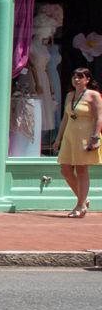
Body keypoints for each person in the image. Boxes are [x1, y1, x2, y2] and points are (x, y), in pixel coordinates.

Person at [58, 65, 102, 217]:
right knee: (65, 170)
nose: (76, 80)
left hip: (86, 136)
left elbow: (98, 118)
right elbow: (66, 117)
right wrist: (58, 138)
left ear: (87, 80)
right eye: (74, 77)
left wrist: (95, 138)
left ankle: (80, 206)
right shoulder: (70, 96)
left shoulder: (93, 95)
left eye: (80, 77)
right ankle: (83, 199)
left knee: (82, 170)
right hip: (70, 136)